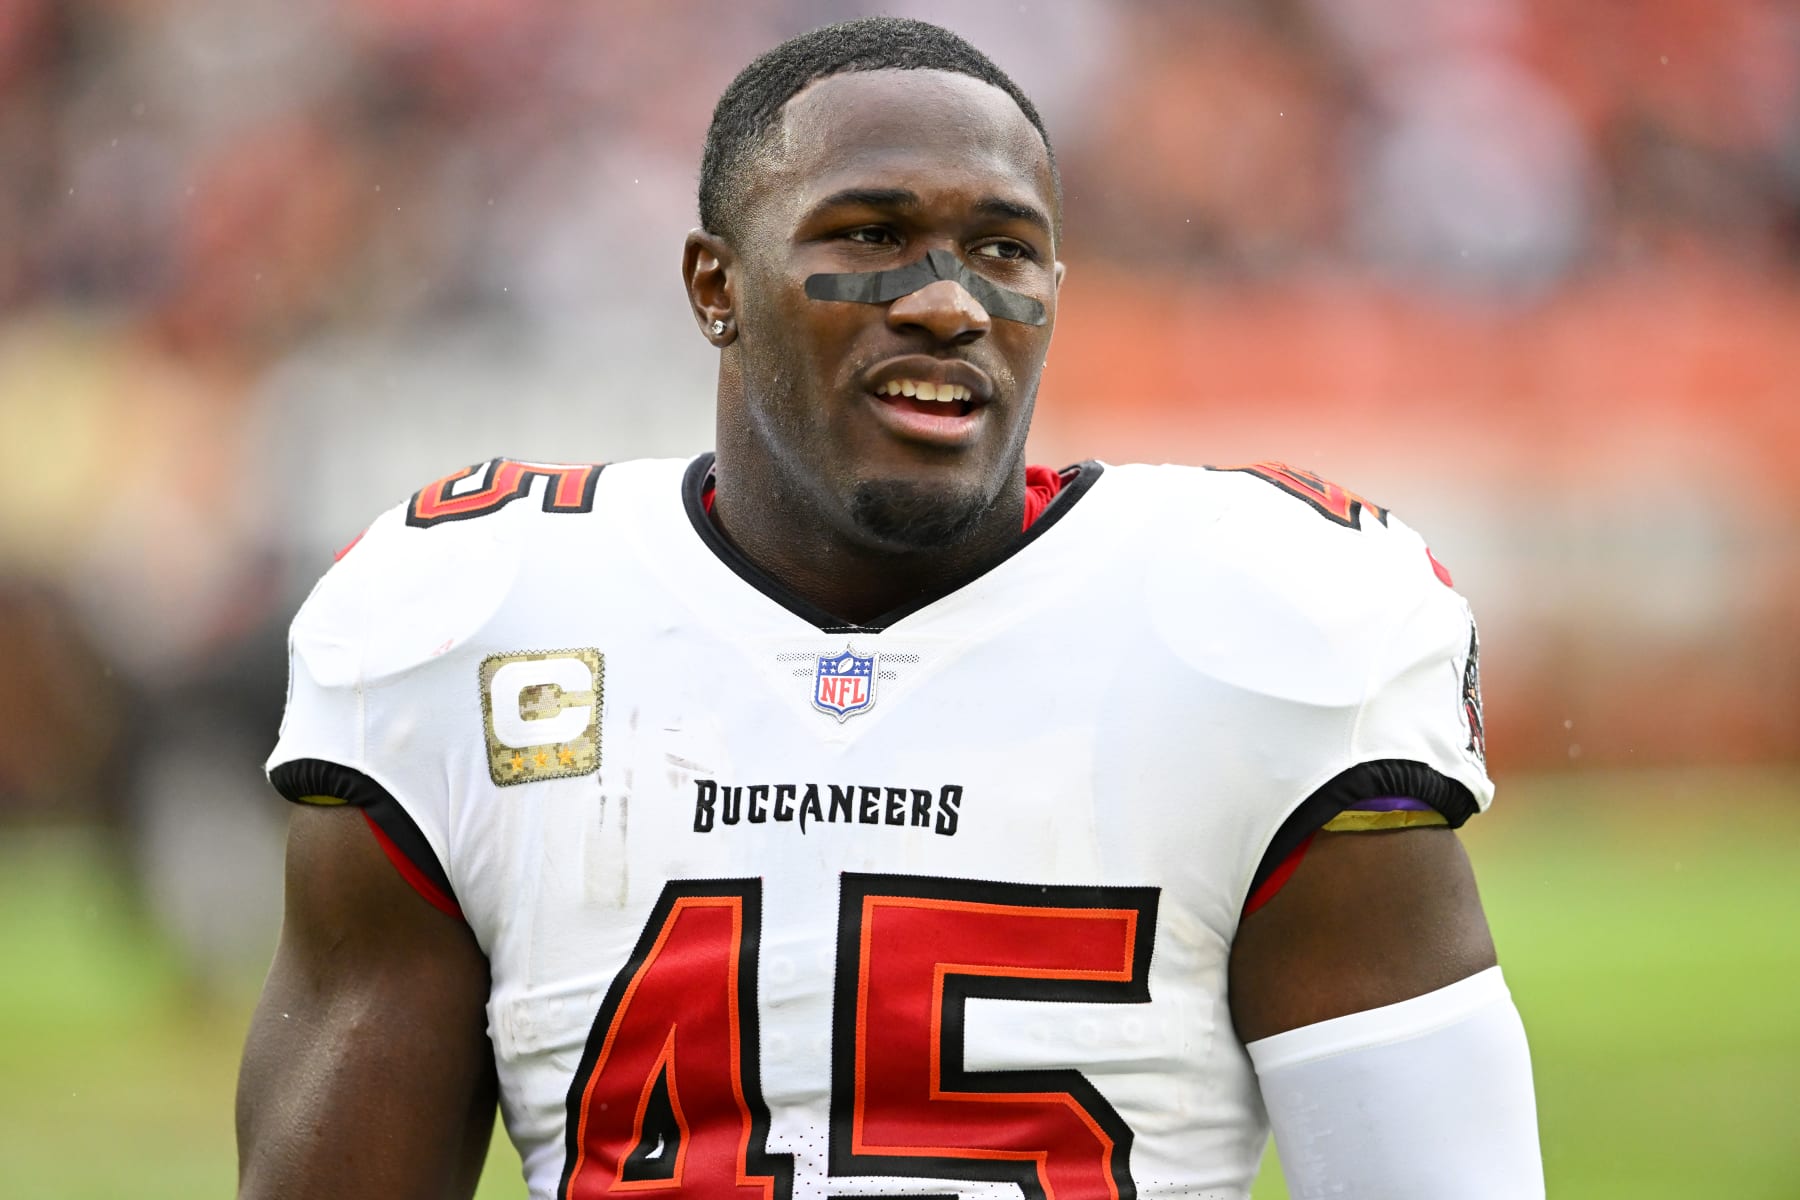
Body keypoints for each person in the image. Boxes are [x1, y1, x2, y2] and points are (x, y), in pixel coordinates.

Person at [236, 17, 1543, 1200]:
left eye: (1002, 249)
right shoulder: (478, 620)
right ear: (715, 286)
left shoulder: (1261, 627)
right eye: (867, 236)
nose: (945, 301)